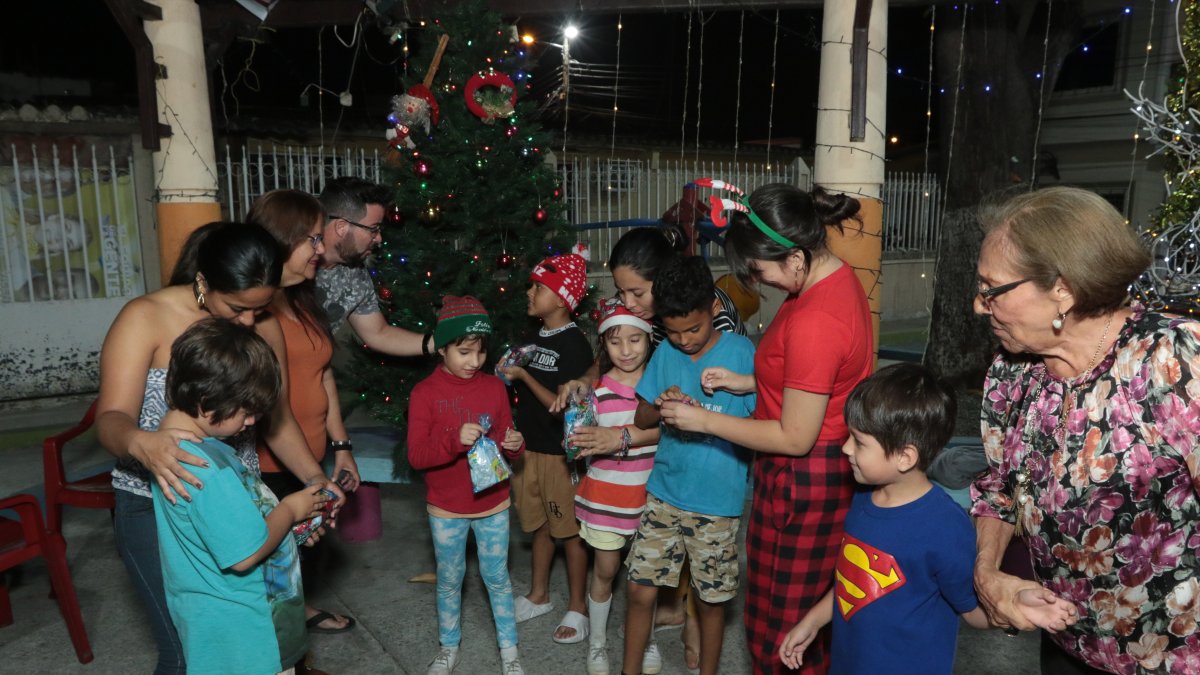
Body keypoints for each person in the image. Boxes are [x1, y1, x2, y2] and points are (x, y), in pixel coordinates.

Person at [968, 186, 1200, 674]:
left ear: (1063, 289)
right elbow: (1001, 491)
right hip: (1065, 647)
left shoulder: (1173, 362)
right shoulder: (1012, 372)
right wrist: (987, 572)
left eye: (993, 290)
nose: (978, 305)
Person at [96, 222, 342, 675]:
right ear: (204, 283)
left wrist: (315, 483)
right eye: (238, 308)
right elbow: (110, 418)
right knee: (187, 649)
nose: (250, 321)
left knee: (255, 628)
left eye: (261, 308)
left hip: (237, 498)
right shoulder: (145, 317)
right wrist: (140, 443)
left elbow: (277, 418)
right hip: (157, 503)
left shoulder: (259, 322)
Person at [658, 182, 873, 674]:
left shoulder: (815, 318)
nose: (758, 280)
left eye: (758, 269)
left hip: (804, 480)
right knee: (799, 618)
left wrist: (702, 420)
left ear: (795, 257)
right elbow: (811, 376)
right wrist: (748, 379)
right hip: (818, 472)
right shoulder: (832, 278)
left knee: (781, 629)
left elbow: (794, 437)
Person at [777, 364, 1076, 674]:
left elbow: (973, 611)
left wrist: (1014, 602)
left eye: (859, 441)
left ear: (905, 457)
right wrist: (812, 621)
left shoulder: (945, 528)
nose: (845, 448)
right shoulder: (863, 497)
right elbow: (855, 581)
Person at [553, 227, 747, 668]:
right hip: (664, 474)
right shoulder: (657, 323)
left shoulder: (710, 325)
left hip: (704, 476)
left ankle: (691, 628)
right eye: (621, 291)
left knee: (705, 590)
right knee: (648, 577)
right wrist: (587, 379)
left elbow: (706, 419)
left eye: (636, 292)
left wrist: (619, 438)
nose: (629, 302)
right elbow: (630, 374)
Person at [152, 318, 330, 675]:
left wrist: (287, 535)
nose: (251, 423)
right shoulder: (205, 469)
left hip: (229, 626)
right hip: (248, 634)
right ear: (206, 403)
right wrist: (290, 510)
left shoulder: (187, 450)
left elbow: (230, 529)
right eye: (246, 412)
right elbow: (245, 555)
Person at [625, 255, 757, 675]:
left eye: (694, 329)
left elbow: (761, 424)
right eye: (674, 331)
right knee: (640, 588)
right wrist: (662, 404)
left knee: (711, 600)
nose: (684, 340)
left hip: (717, 504)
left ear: (714, 310)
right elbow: (641, 417)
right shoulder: (665, 352)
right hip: (663, 493)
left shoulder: (741, 353)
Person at [249, 189, 360, 635]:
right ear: (282, 239)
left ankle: (299, 617)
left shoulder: (301, 299)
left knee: (297, 559)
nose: (321, 249)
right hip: (268, 463)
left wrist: (341, 446)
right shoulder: (250, 312)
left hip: (308, 457)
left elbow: (323, 374)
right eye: (312, 239)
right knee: (266, 572)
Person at [407, 296, 527, 675]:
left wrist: (515, 444)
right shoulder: (424, 394)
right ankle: (448, 647)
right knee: (449, 579)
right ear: (442, 348)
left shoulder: (494, 387)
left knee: (497, 579)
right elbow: (417, 456)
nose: (474, 361)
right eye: (463, 352)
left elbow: (509, 442)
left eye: (480, 352)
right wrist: (452, 441)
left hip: (493, 503)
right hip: (446, 506)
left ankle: (510, 652)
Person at [497, 253, 594, 644]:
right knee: (537, 524)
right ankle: (539, 594)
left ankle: (578, 605)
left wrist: (522, 375)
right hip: (529, 451)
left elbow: (563, 405)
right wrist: (508, 373)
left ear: (561, 299)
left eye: (538, 287)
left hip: (558, 454)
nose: (529, 292)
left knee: (567, 532)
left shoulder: (575, 345)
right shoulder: (535, 339)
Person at [569, 298, 660, 675]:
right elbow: (576, 442)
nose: (626, 351)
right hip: (606, 500)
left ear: (649, 340)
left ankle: (647, 638)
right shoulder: (594, 391)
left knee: (647, 580)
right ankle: (598, 643)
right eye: (615, 341)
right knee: (604, 571)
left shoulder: (659, 386)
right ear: (603, 345)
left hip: (651, 501)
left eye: (635, 340)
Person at [315, 176, 431, 356]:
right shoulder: (291, 265)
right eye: (373, 229)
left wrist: (437, 343)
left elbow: (378, 333)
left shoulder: (354, 272)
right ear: (341, 227)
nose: (379, 238)